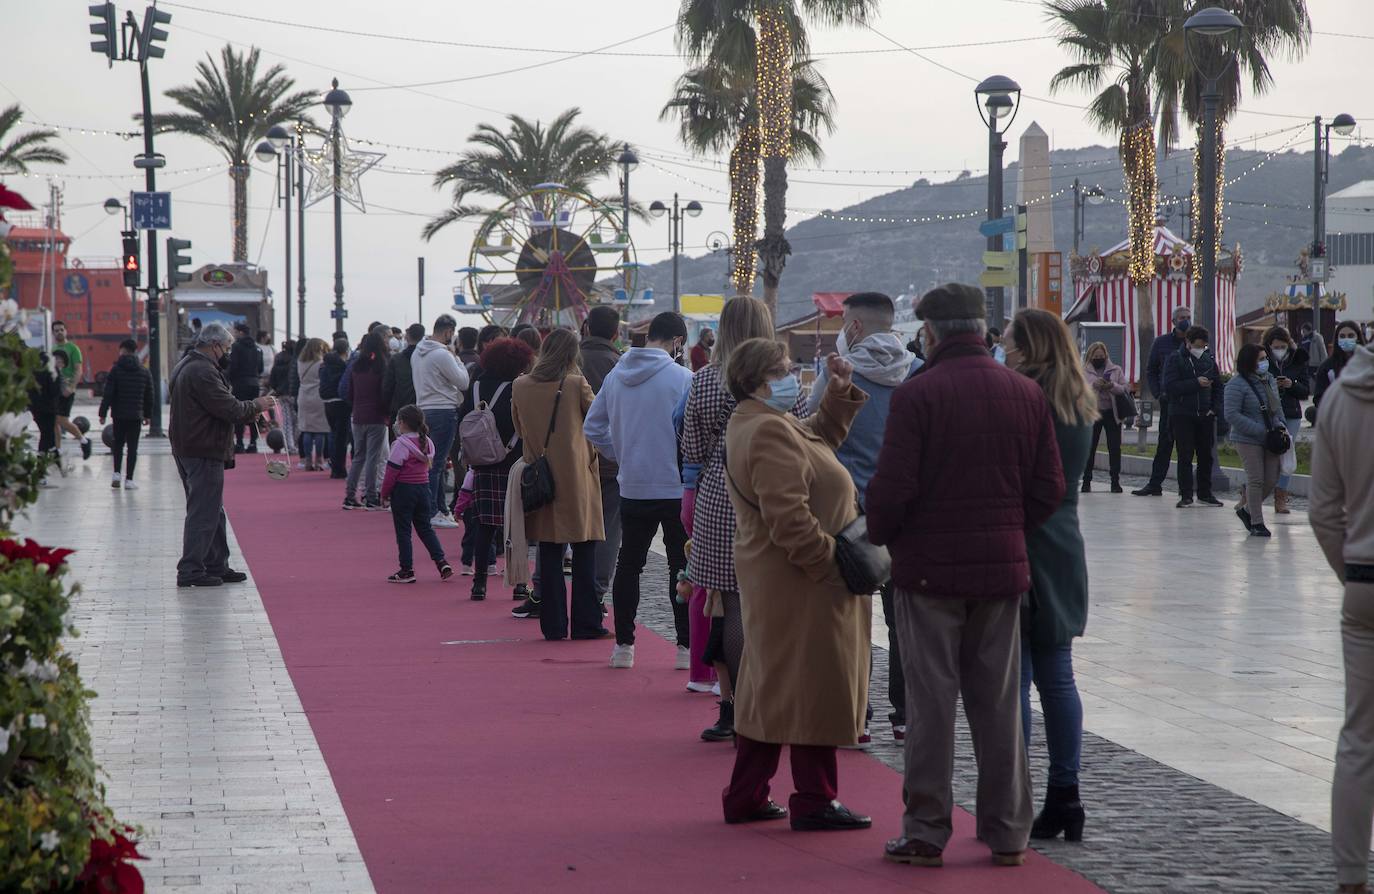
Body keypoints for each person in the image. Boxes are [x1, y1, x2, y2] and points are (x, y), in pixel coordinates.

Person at [867, 283, 1064, 869]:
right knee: (1000, 706)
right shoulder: (1024, 393)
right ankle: (1008, 832)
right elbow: (1048, 488)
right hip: (1001, 575)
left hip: (927, 576)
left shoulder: (917, 395)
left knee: (931, 707)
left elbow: (893, 491)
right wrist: (1007, 529)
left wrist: (886, 534)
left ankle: (927, 830)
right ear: (981, 331)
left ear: (929, 333)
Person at [718, 337, 871, 831]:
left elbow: (814, 441)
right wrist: (834, 569)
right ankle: (815, 798)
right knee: (813, 688)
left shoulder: (764, 422)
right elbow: (791, 520)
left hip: (785, 581)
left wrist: (839, 395)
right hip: (803, 583)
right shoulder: (765, 431)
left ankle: (747, 794)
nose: (793, 377)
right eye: (784, 370)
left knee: (776, 688)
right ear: (760, 379)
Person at [681, 296, 804, 743]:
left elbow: (691, 450)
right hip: (773, 493)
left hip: (719, 491)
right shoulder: (783, 381)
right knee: (774, 604)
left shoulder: (706, 380)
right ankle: (775, 700)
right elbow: (809, 434)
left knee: (730, 603)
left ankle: (731, 708)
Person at [806, 292, 918, 744]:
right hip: (903, 513)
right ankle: (905, 714)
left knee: (850, 614)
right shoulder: (919, 373)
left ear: (853, 328)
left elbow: (810, 429)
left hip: (847, 511)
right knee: (902, 619)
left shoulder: (837, 372)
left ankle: (858, 712)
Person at [1005, 309, 1095, 843]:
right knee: (1058, 675)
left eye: (1012, 343)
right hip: (1063, 544)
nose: (1006, 350)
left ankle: (1013, 792)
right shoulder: (1078, 398)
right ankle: (1066, 793)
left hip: (1020, 539)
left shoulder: (1023, 395)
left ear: (1030, 346)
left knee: (1013, 675)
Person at [584, 311, 693, 670]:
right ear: (677, 341)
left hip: (632, 485)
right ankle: (683, 648)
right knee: (681, 567)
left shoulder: (617, 376)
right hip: (675, 487)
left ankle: (624, 647)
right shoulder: (683, 378)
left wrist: (622, 453)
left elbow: (593, 426)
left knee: (629, 565)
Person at [1309, 333, 1374, 894]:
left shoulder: (1341, 395)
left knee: (1360, 737)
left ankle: (1352, 875)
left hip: (1365, 584)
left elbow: (1323, 511)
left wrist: (1352, 570)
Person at [511, 328, 606, 641]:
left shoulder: (521, 385)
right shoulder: (575, 383)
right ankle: (586, 623)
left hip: (541, 478)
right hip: (576, 477)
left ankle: (552, 624)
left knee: (549, 554)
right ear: (571, 354)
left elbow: (520, 428)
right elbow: (598, 419)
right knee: (585, 552)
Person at [168, 323, 275, 588]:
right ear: (214, 345)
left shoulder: (187, 365)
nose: (228, 353)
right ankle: (191, 569)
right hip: (201, 447)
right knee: (204, 510)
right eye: (226, 348)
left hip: (190, 445)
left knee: (213, 509)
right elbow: (229, 409)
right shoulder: (202, 371)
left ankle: (217, 563)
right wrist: (257, 406)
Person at [458, 337, 534, 600]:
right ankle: (520, 583)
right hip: (512, 462)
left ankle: (479, 583)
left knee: (484, 525)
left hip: (482, 463)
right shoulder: (517, 387)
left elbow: (464, 418)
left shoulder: (475, 386)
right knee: (517, 526)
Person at [580, 305, 624, 608]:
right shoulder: (620, 366)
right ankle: (595, 593)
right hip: (610, 462)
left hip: (571, 459)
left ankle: (545, 591)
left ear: (585, 328)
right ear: (616, 333)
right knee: (609, 529)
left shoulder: (567, 362)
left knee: (562, 527)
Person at [381, 404, 453, 583]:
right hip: (423, 489)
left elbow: (391, 472)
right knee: (425, 529)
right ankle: (441, 561)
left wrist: (384, 493)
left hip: (404, 490)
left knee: (404, 531)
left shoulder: (400, 445)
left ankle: (407, 569)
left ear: (403, 423)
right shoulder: (428, 443)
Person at [412, 315, 470, 527]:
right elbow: (463, 382)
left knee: (429, 461)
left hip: (423, 409)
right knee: (436, 464)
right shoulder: (442, 355)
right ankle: (433, 511)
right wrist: (457, 359)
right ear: (448, 332)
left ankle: (440, 508)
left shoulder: (418, 353)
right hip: (443, 410)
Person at [1224, 343, 1285, 538]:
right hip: (1247, 438)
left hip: (1271, 437)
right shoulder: (1236, 384)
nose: (1264, 362)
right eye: (1260, 359)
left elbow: (1276, 407)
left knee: (1271, 478)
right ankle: (1257, 523)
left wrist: (1279, 424)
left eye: (1265, 358)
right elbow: (1232, 414)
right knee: (1256, 479)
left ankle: (1248, 509)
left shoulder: (1269, 380)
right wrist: (1260, 430)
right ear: (1249, 361)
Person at [1161, 325, 1224, 509]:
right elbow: (1170, 386)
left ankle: (1205, 493)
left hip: (1205, 414)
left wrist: (1214, 408)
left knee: (1206, 455)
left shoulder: (1209, 359)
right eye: (1197, 345)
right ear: (1188, 342)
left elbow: (1218, 386)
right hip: (1182, 414)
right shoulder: (1175, 358)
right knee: (1185, 455)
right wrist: (1195, 383)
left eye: (1203, 346)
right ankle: (1186, 494)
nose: (1200, 349)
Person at [1133, 305, 1193, 497]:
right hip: (1169, 402)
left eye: (1188, 316)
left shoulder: (1196, 343)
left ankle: (1189, 490)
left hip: (1189, 402)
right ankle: (1155, 484)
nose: (1186, 320)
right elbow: (1151, 370)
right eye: (1182, 317)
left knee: (1187, 447)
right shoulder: (1161, 342)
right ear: (1174, 321)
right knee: (1164, 444)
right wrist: (1158, 393)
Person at [1262, 326, 1308, 514]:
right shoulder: (1263, 360)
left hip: (1291, 412)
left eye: (1283, 346)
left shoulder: (1298, 359)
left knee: (1286, 453)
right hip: (1269, 413)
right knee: (1268, 453)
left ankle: (1281, 496)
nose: (1279, 349)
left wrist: (1291, 384)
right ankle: (1251, 492)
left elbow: (1305, 390)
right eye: (1275, 346)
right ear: (1269, 346)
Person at [97, 339, 153, 489]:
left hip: (119, 415)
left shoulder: (115, 370)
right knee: (133, 447)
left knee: (118, 445)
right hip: (136, 416)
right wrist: (147, 415)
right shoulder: (144, 371)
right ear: (135, 351)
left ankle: (116, 473)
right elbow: (149, 395)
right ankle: (129, 480)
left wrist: (102, 413)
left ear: (122, 350)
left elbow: (108, 393)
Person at [341, 332, 389, 511]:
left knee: (358, 457)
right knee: (373, 458)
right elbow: (384, 393)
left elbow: (350, 393)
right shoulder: (381, 366)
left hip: (358, 416)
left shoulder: (356, 366)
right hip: (376, 416)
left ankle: (349, 495)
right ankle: (370, 496)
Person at [1081, 341, 1127, 493]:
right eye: (1096, 356)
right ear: (1090, 356)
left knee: (1114, 448)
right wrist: (1095, 385)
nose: (1099, 358)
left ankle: (1115, 481)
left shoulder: (1116, 369)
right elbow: (1079, 390)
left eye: (1101, 356)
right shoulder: (1084, 370)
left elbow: (1125, 388)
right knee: (1089, 448)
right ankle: (1086, 481)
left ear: (1106, 355)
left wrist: (1111, 385)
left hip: (1112, 413)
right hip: (1093, 413)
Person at [50, 320, 92, 460]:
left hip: (67, 389)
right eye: (56, 330)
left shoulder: (73, 348)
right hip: (54, 390)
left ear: (66, 331)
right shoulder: (51, 349)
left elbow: (78, 369)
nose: (59, 332)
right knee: (54, 421)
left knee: (62, 420)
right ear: (53, 332)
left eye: (62, 329)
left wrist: (72, 387)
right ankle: (58, 450)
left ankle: (84, 441)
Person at [295, 338, 331, 471]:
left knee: (306, 429)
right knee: (320, 430)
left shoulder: (300, 362)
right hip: (318, 396)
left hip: (303, 396)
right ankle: (319, 459)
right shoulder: (321, 363)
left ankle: (307, 460)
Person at [1315, 321, 1368, 409]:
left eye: (1351, 336)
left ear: (1358, 338)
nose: (1346, 339)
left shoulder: (1368, 363)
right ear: (1337, 339)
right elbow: (1319, 397)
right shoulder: (1327, 367)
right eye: (1342, 336)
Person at [228, 322, 264, 454]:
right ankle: (253, 443)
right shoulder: (257, 348)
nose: (234, 334)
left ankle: (240, 443)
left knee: (240, 412)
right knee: (253, 413)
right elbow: (260, 367)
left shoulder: (236, 347)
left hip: (240, 383)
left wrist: (230, 379)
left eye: (235, 332)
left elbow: (233, 366)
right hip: (254, 383)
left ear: (241, 333)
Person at [321, 338, 351, 479]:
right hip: (341, 402)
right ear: (346, 350)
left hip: (327, 402)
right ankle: (340, 468)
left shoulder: (325, 364)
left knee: (333, 434)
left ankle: (335, 467)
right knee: (342, 437)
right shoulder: (343, 365)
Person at [382, 323, 425, 422]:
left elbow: (388, 387)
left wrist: (386, 409)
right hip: (422, 409)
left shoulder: (396, 359)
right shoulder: (427, 358)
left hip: (399, 410)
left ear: (407, 337)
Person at [28, 351, 62, 460]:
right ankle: (45, 456)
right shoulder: (52, 370)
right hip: (49, 408)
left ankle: (52, 454)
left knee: (45, 432)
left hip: (35, 408)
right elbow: (54, 390)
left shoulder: (32, 371)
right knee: (48, 433)